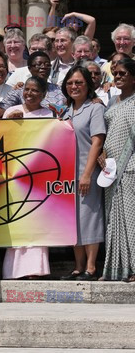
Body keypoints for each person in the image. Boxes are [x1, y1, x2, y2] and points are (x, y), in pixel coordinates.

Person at [2, 76, 53, 280]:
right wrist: (10, 124)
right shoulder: (11, 112)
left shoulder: (48, 114)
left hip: (39, 175)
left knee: (36, 222)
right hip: (15, 175)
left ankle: (36, 270)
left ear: (43, 94)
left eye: (35, 91)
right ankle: (14, 271)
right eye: (27, 90)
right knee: (17, 222)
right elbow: (2, 140)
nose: (30, 94)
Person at [57, 66, 106, 281]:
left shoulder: (95, 109)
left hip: (87, 172)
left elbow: (97, 141)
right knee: (72, 220)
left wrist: (87, 174)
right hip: (66, 175)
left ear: (88, 85)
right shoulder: (64, 111)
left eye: (79, 82)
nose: (74, 86)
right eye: (70, 83)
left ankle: (91, 267)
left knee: (89, 218)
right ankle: (77, 266)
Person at [98, 59, 135, 281]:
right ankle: (117, 268)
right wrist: (102, 151)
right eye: (115, 74)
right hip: (111, 171)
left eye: (122, 73)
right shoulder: (112, 102)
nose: (118, 77)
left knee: (131, 219)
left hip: (131, 168)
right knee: (114, 219)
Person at [0, 51, 66, 117]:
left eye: (47, 65)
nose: (43, 67)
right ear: (29, 68)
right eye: (38, 64)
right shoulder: (19, 91)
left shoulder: (60, 90)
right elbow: (1, 110)